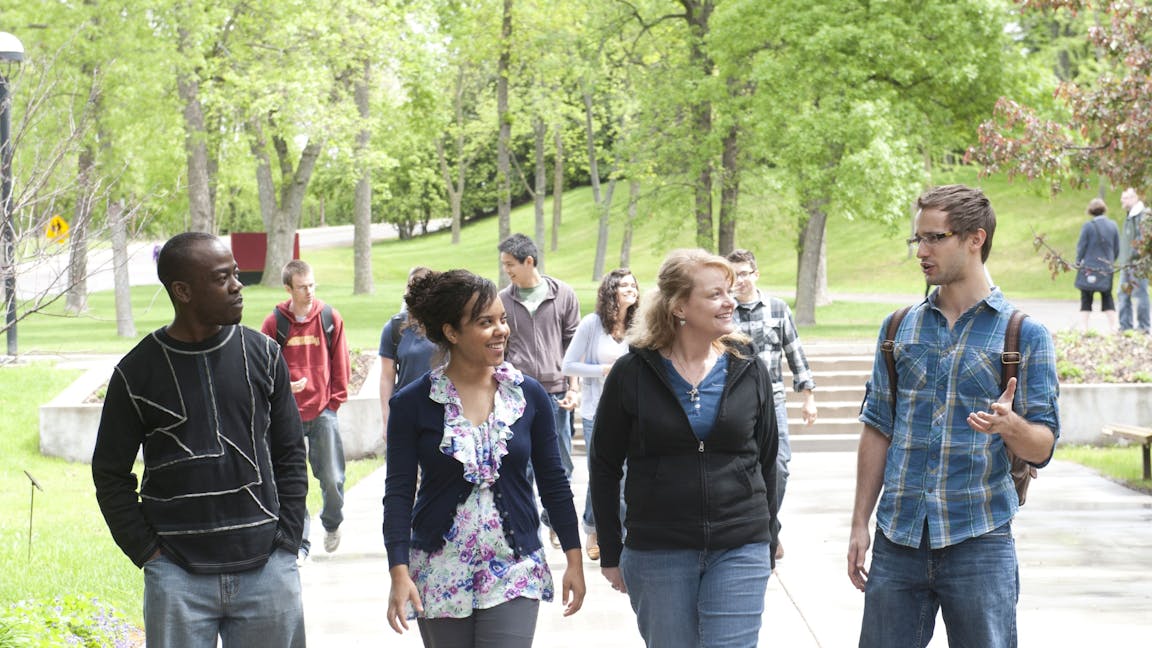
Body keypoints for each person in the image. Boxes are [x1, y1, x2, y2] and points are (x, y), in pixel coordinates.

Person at [848, 184, 1060, 647]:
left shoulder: (1024, 334)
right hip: (897, 537)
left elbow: (1042, 447)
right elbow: (878, 428)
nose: (921, 251)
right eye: (916, 240)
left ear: (974, 238)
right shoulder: (898, 327)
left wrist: (1011, 427)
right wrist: (859, 522)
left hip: (979, 539)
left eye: (934, 238)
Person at [92, 232, 307, 647]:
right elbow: (110, 474)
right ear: (183, 291)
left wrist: (288, 541)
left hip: (267, 568)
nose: (237, 285)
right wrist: (150, 554)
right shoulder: (135, 373)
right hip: (178, 578)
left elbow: (291, 453)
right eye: (222, 278)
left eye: (236, 274)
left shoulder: (263, 355)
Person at [383, 269, 586, 646]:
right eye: (485, 322)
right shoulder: (411, 404)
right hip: (439, 567)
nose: (501, 330)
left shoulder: (530, 396)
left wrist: (574, 557)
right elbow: (398, 494)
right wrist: (399, 570)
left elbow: (553, 482)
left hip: (514, 564)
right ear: (451, 332)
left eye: (502, 320)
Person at [590, 249, 778, 648]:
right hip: (658, 549)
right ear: (679, 306)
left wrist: (769, 531)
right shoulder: (632, 373)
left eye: (729, 291)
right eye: (714, 295)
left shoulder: (749, 367)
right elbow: (604, 465)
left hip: (740, 542)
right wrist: (610, 548)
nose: (730, 301)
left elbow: (767, 457)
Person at [726, 248, 817, 561]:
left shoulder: (777, 308)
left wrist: (808, 396)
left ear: (755, 274)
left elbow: (794, 351)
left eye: (744, 273)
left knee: (778, 465)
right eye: (733, 275)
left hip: (773, 398)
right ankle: (755, 529)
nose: (739, 280)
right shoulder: (723, 311)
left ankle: (768, 524)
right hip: (735, 400)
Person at [261, 259, 350, 558]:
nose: (309, 291)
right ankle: (301, 544)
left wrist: (334, 401)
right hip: (288, 414)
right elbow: (264, 367)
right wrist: (283, 389)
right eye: (302, 287)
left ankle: (333, 522)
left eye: (312, 285)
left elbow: (340, 362)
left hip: (323, 410)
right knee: (293, 482)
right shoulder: (275, 323)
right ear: (288, 288)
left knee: (333, 479)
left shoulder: (329, 317)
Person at [497, 233, 581, 546]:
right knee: (522, 464)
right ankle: (525, 528)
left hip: (557, 393)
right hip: (517, 394)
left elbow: (573, 346)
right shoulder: (503, 300)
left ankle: (555, 520)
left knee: (560, 463)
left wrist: (574, 388)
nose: (506, 270)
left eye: (510, 264)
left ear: (529, 261)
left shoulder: (564, 294)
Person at [561, 268, 639, 561]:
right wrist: (604, 370)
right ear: (611, 292)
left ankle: (607, 529)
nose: (632, 289)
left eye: (634, 284)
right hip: (599, 411)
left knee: (627, 477)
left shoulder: (640, 324)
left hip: (633, 412)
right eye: (624, 285)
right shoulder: (592, 325)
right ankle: (599, 531)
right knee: (603, 474)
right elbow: (568, 366)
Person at [379, 266, 438, 439]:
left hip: (442, 413)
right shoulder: (394, 328)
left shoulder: (446, 326)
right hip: (406, 412)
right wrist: (386, 420)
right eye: (410, 287)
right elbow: (386, 377)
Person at [1074, 198, 1120, 332]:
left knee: (1086, 299)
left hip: (1089, 268)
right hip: (1107, 268)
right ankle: (1113, 328)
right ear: (1104, 209)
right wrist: (1110, 261)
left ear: (1090, 211)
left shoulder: (1088, 226)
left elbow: (1081, 247)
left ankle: (1084, 329)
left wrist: (1078, 261)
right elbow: (1116, 248)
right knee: (1107, 296)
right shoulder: (1113, 225)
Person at [1118, 187, 1150, 333]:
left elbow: (1142, 242)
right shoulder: (1130, 216)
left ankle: (1143, 326)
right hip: (1126, 265)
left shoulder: (1143, 217)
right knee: (1124, 294)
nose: (1121, 201)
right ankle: (1125, 327)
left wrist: (1132, 260)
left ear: (1134, 198)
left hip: (1137, 266)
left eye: (1124, 198)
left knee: (1140, 294)